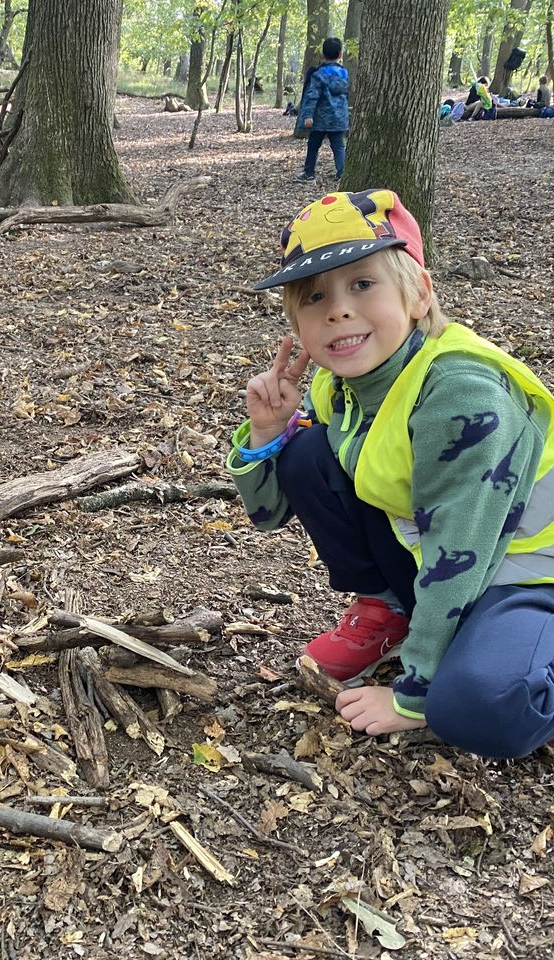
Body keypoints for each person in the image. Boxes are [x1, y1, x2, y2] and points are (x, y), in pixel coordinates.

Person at [226, 188, 554, 759]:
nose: (337, 309)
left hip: (528, 577)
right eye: (313, 296)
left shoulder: (458, 392)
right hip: (449, 560)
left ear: (418, 293)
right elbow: (269, 511)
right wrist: (267, 433)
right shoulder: (341, 385)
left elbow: (463, 548)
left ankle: (504, 654)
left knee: (478, 707)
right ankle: (392, 609)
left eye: (362, 284)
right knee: (306, 453)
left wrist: (413, 694)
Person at [295, 37, 348, 182]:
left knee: (313, 145)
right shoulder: (344, 74)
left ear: (323, 55)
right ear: (340, 55)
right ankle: (342, 173)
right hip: (339, 118)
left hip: (320, 119)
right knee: (338, 146)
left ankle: (309, 172)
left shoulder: (319, 74)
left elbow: (312, 96)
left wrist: (307, 115)